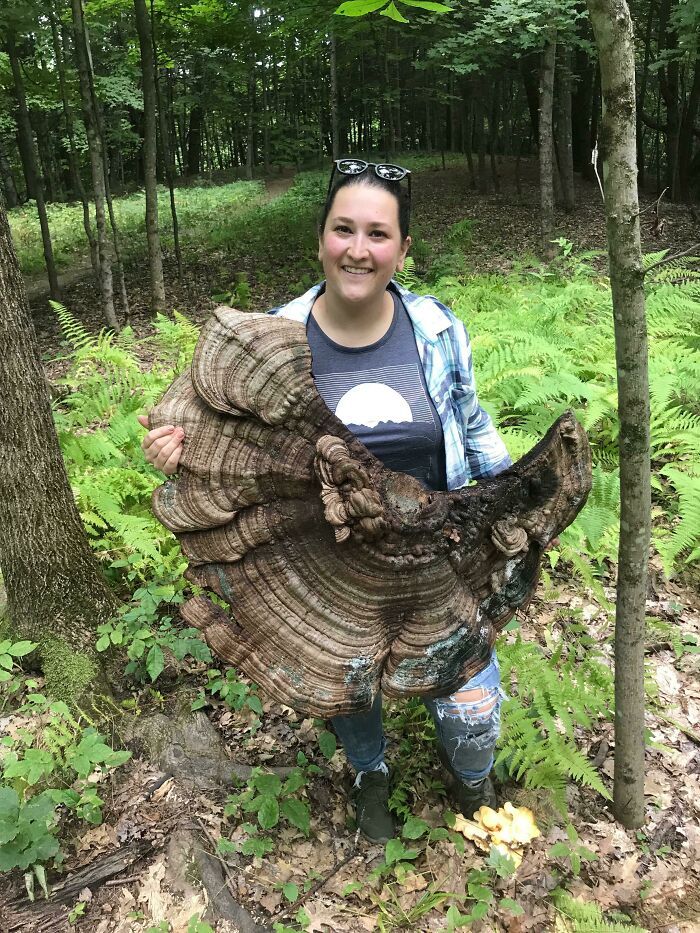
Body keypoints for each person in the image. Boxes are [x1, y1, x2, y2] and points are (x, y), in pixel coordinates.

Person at [139, 159, 512, 843]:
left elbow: (472, 418)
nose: (359, 248)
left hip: (441, 548)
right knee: (348, 682)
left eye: (378, 233)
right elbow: (205, 429)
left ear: (403, 249)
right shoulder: (272, 340)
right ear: (320, 240)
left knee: (473, 711)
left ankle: (471, 775)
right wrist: (176, 452)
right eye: (344, 229)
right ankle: (370, 770)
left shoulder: (434, 326)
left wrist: (510, 500)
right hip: (326, 564)